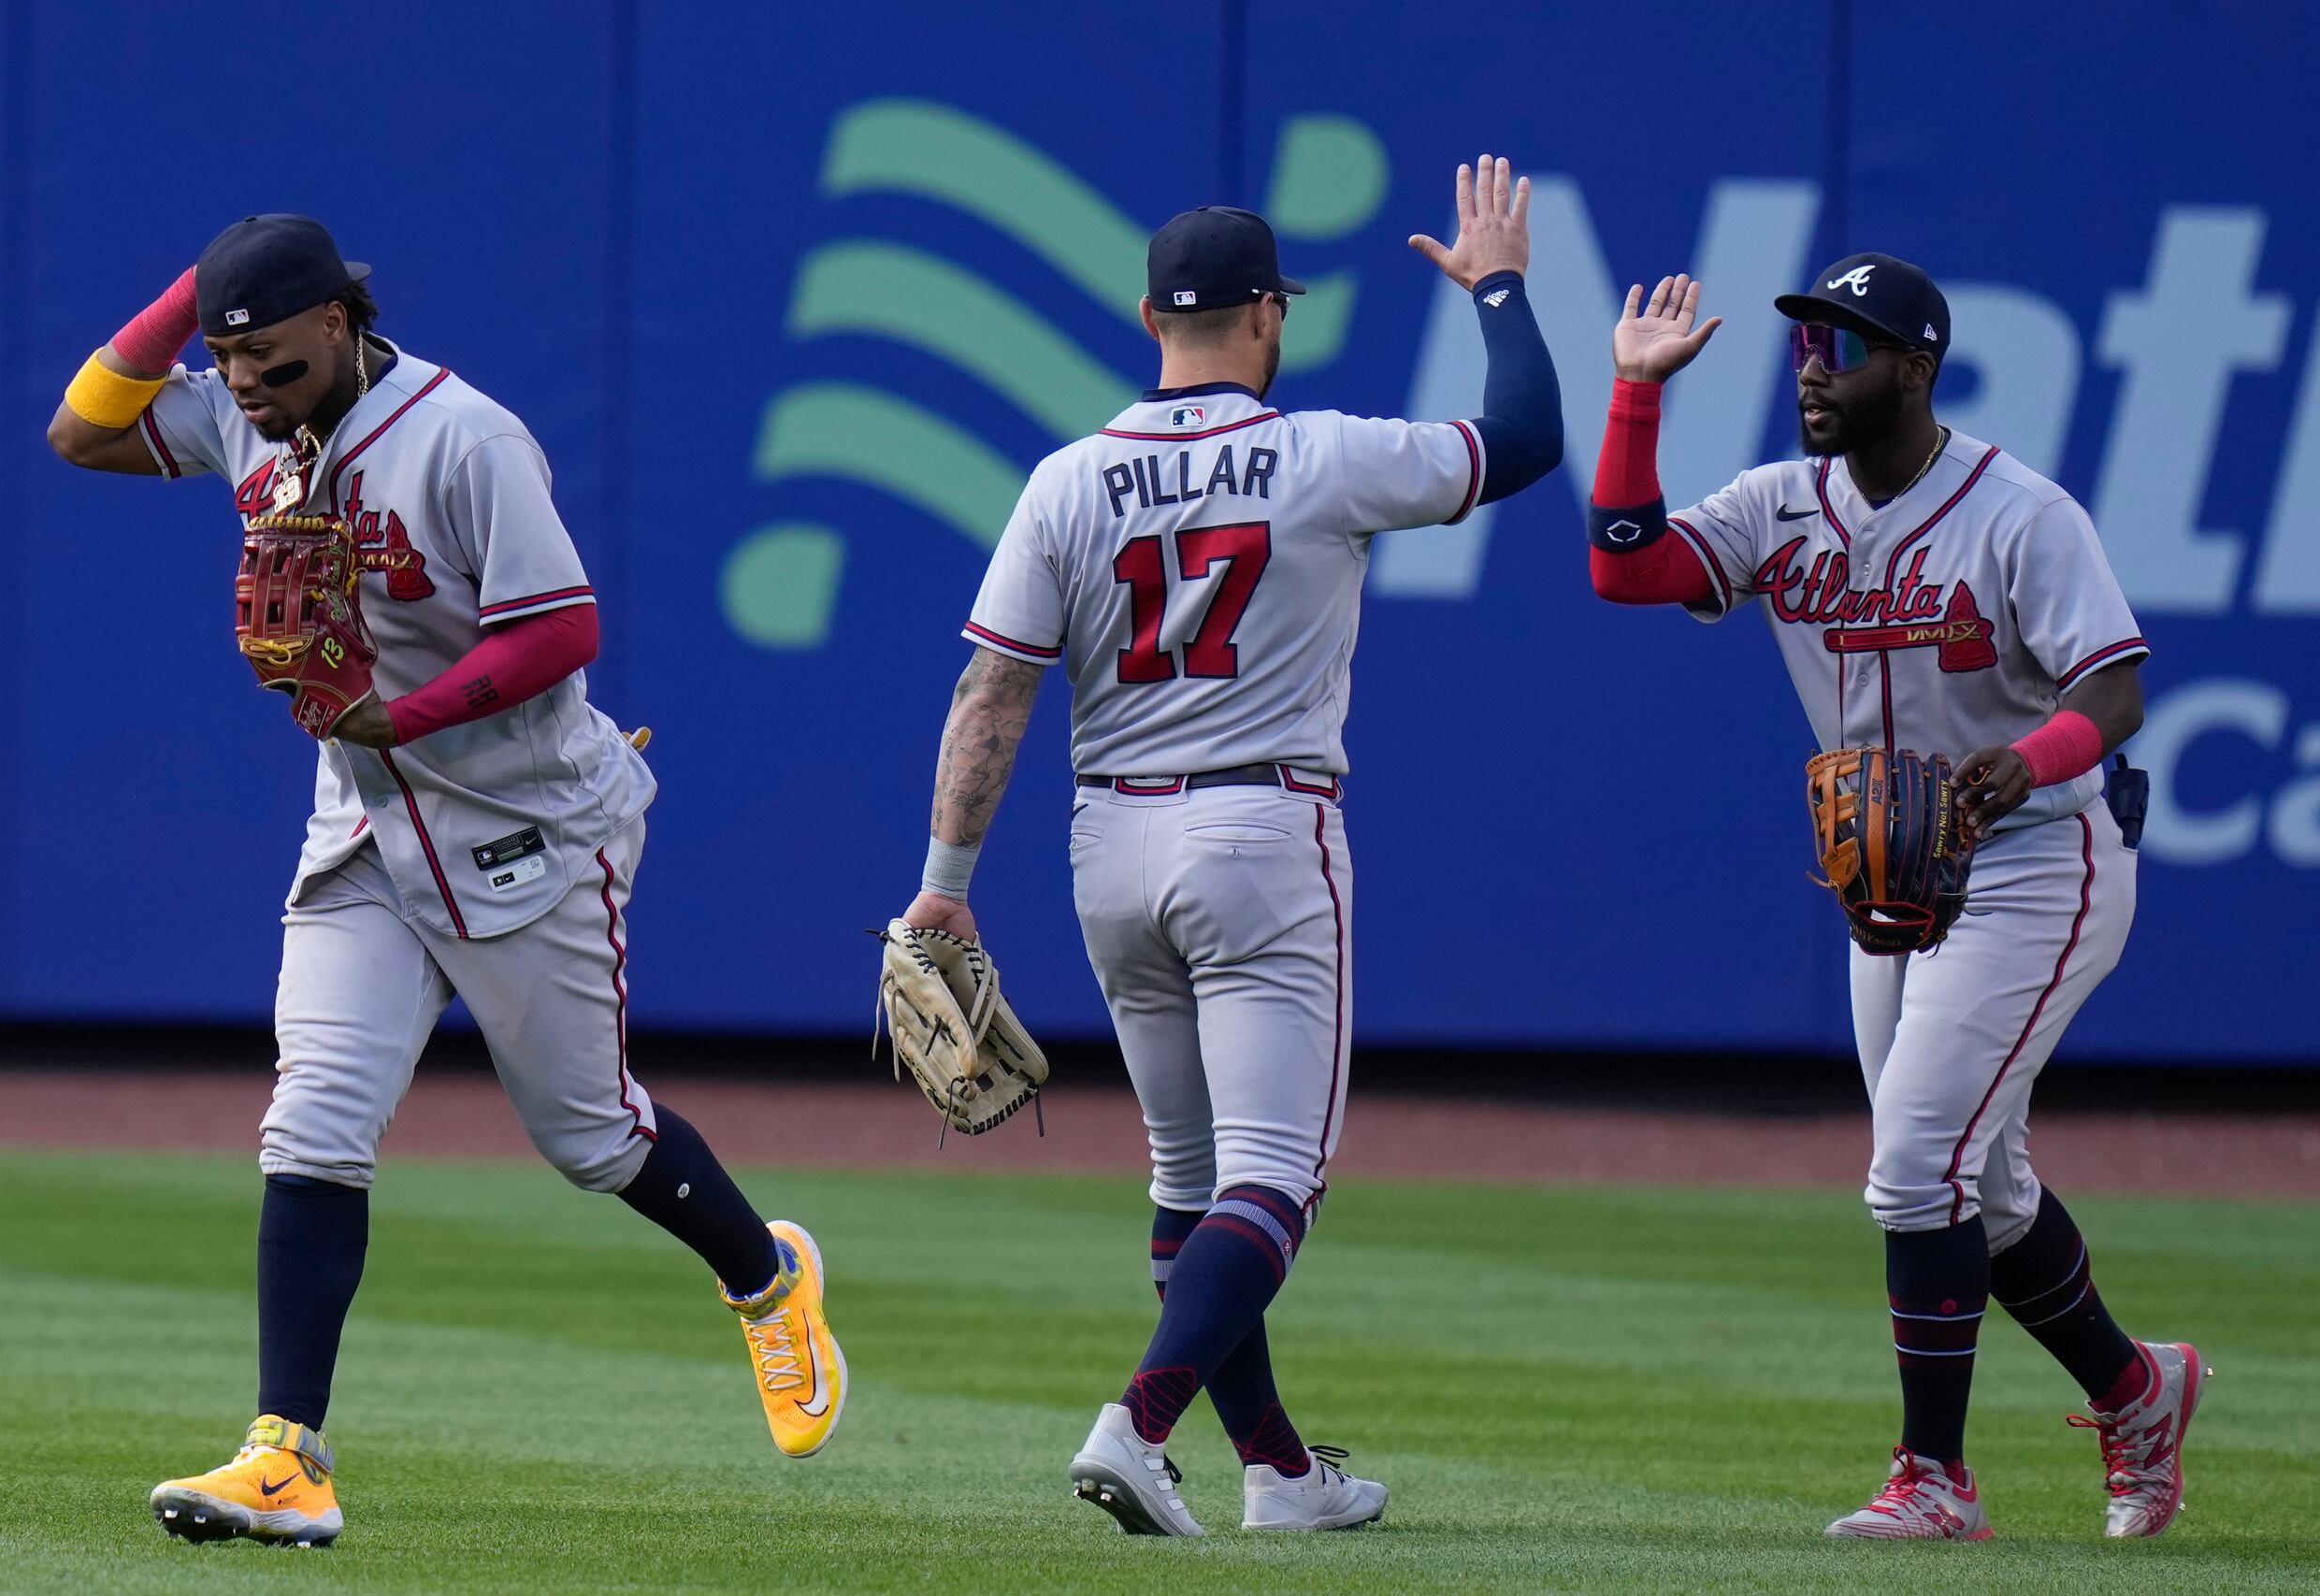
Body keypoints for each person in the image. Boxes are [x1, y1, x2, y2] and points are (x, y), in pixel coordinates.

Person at [47, 215, 847, 1547]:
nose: (244, 386)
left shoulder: (464, 434)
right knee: (314, 1118)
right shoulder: (246, 414)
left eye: (270, 356)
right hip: (365, 831)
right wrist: (205, 287)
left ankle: (768, 1280)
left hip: (526, 820)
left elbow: (563, 628)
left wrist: (399, 722)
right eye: (227, 358)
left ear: (340, 323)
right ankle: (286, 1455)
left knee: (589, 1136)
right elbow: (82, 429)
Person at [893, 160, 1563, 1535]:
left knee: (1187, 1181)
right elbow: (1527, 435)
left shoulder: (1066, 480)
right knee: (1275, 1177)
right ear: (1267, 318)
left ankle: (1280, 1473)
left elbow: (991, 694)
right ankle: (1136, 1427)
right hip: (1262, 828)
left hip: (1111, 843)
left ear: (1150, 317)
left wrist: (946, 888)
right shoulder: (1325, 452)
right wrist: (1497, 285)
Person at [1581, 254, 2203, 1540]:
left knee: (1916, 1162)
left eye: (1845, 348)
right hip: (1900, 879)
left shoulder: (2020, 513)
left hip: (2042, 857)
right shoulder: (1778, 504)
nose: (1814, 368)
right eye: (1805, 344)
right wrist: (1636, 397)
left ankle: (1935, 1482)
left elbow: (2116, 691)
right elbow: (1626, 570)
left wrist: (2020, 766)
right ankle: (2139, 1393)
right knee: (1988, 1185)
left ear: (1915, 370)